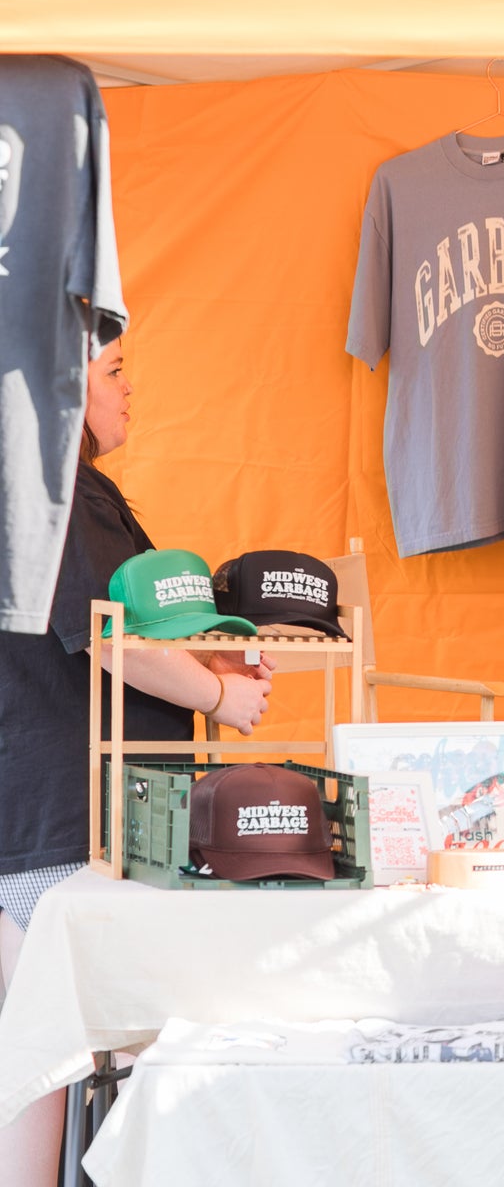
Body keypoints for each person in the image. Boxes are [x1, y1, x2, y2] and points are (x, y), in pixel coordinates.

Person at [0, 338, 275, 1187]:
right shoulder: (59, 485)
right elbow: (111, 637)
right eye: (113, 370)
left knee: (37, 1057)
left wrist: (204, 664)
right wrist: (219, 696)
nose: (129, 387)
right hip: (72, 825)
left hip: (39, 821)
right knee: (99, 1050)